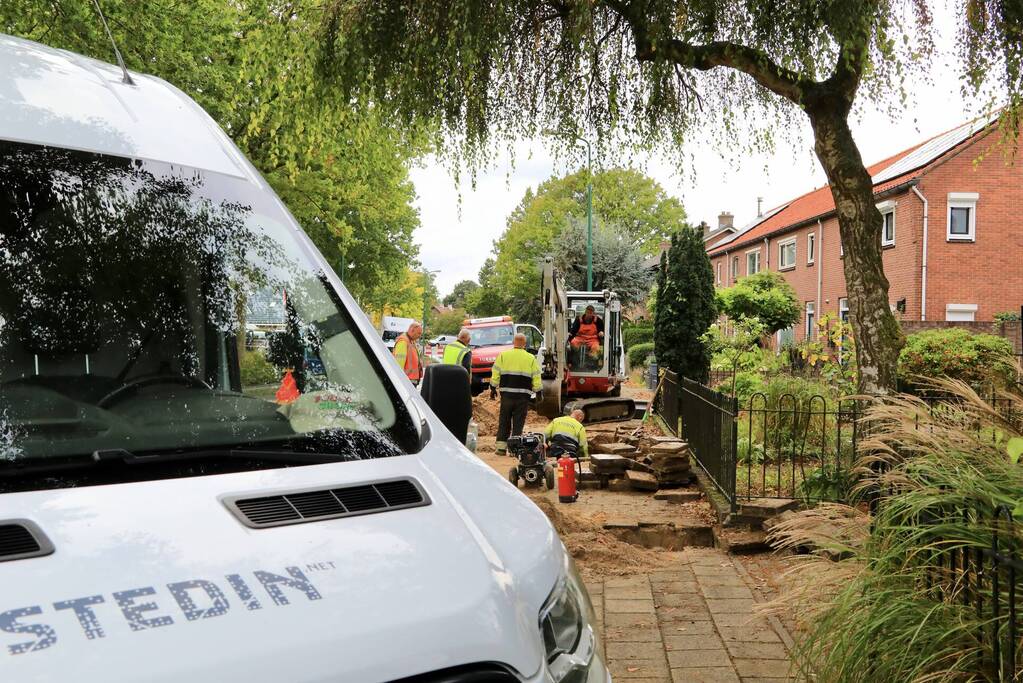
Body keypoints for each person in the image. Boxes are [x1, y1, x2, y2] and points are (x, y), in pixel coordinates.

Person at [491, 332, 541, 455]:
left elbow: (496, 372)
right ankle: (514, 450)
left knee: (504, 421)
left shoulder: (503, 356)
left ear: (514, 342)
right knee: (518, 423)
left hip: (506, 395)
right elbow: (536, 376)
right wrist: (539, 392)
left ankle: (501, 448)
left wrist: (493, 388)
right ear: (525, 344)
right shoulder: (530, 358)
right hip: (523, 397)